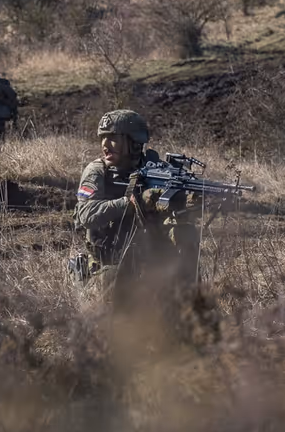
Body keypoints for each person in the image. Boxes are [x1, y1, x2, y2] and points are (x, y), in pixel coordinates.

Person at [72, 109, 202, 308]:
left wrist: (185, 203)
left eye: (113, 138)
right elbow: (85, 215)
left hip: (150, 256)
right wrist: (132, 203)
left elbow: (176, 218)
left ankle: (192, 308)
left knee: (185, 233)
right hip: (110, 261)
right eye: (103, 138)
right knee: (116, 302)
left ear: (134, 142)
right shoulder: (98, 171)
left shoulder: (158, 170)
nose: (105, 145)